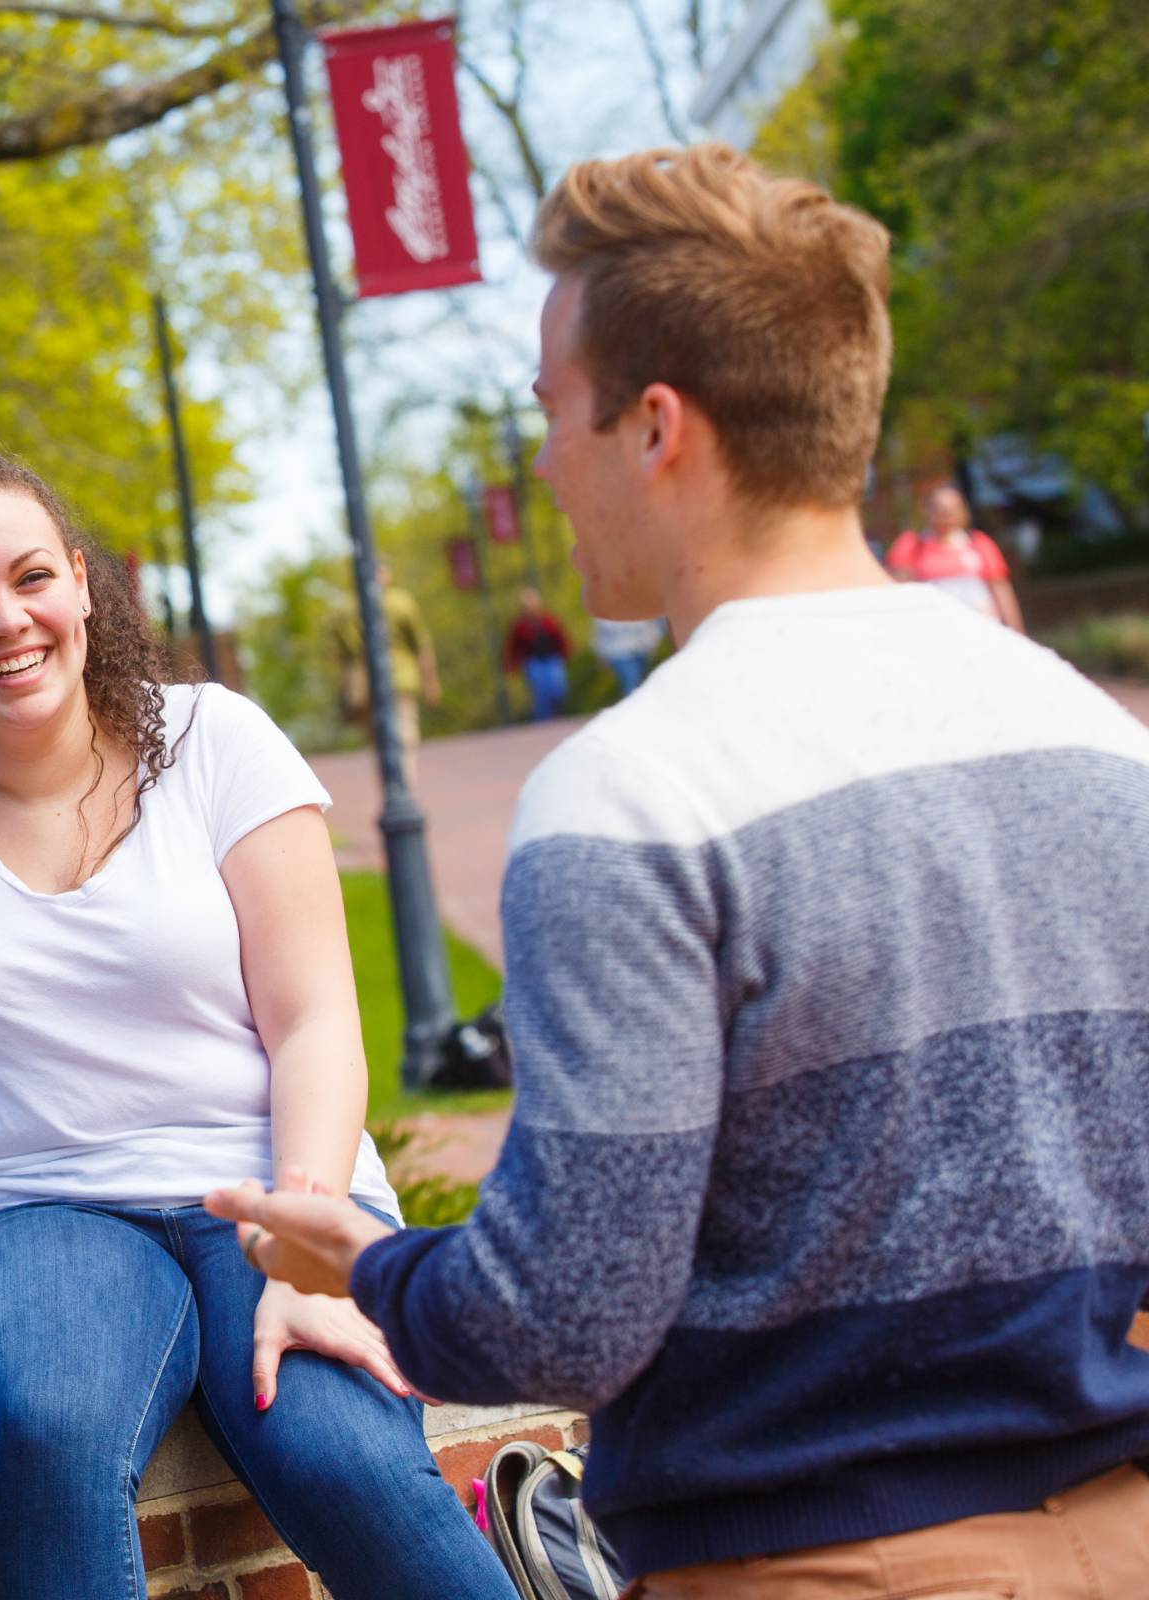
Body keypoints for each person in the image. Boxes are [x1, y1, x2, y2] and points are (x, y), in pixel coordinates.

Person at [211, 146, 1149, 1598]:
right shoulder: (1095, 738)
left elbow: (564, 1321)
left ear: (656, 427)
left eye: (549, 414)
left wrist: (370, 1266)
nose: (542, 464)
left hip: (824, 1557)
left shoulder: (629, 799)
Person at [0, 447, 513, 1600]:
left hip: (273, 1184)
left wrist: (313, 1241)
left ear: (80, 583)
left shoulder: (216, 743)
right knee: (54, 1420)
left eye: (30, 578)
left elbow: (317, 1018)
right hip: (38, 1216)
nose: (7, 620)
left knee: (340, 1449)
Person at [339, 558, 442, 778]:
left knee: (379, 742)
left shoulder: (349, 607)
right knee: (404, 738)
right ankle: (404, 789)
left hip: (367, 687)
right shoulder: (401, 602)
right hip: (399, 679)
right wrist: (431, 682)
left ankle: (392, 790)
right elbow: (422, 645)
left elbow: (343, 654)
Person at [886, 482, 1026, 630]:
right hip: (933, 630)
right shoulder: (911, 545)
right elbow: (898, 591)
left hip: (981, 628)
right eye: (940, 509)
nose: (946, 516)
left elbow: (1000, 589)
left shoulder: (978, 543)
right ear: (926, 510)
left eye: (952, 510)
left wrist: (1017, 630)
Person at [503, 587, 569, 719]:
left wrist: (565, 653)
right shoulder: (520, 626)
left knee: (558, 689)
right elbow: (513, 647)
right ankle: (543, 722)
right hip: (533, 661)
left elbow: (560, 637)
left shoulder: (548, 620)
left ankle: (556, 714)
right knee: (541, 694)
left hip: (551, 658)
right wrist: (510, 665)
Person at [590, 614, 664, 697]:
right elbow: (600, 634)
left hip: (640, 649)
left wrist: (652, 643)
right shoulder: (604, 611)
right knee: (632, 683)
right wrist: (601, 653)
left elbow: (649, 625)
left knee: (641, 683)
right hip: (620, 653)